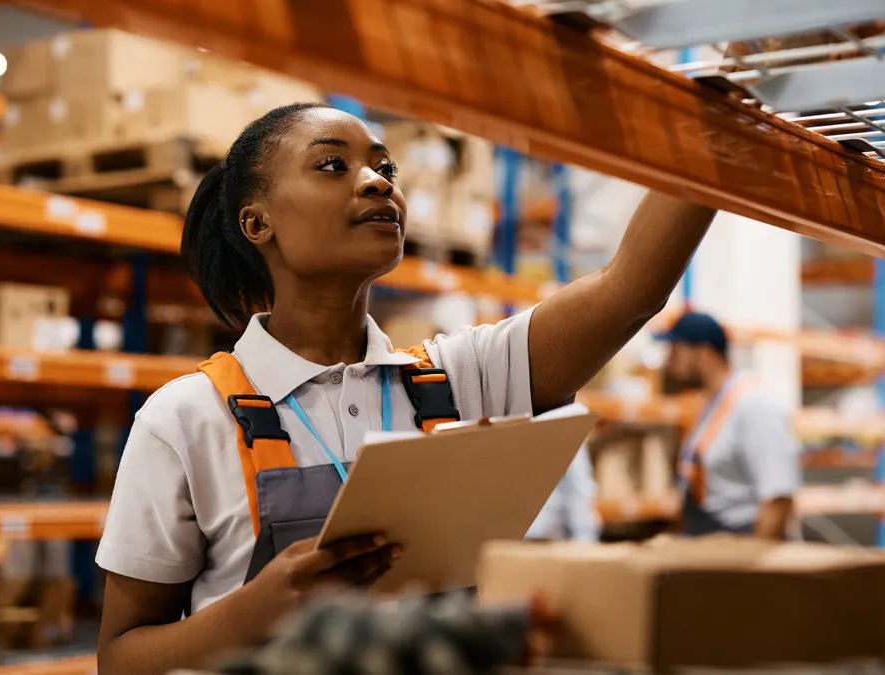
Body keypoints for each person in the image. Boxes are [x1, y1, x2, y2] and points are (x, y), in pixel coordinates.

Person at [95, 102, 715, 674]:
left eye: (384, 166)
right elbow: (119, 658)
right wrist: (245, 617)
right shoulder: (185, 419)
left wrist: (714, 135)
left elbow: (628, 290)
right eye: (333, 165)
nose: (378, 181)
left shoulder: (463, 378)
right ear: (257, 223)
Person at [661, 312, 801, 539]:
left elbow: (778, 497)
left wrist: (751, 568)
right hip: (714, 545)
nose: (668, 363)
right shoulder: (712, 407)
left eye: (676, 352)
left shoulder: (755, 406)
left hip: (743, 548)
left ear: (705, 355)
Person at [525, 444, 600, 542]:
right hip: (506, 541)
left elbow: (578, 492)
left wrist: (584, 541)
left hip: (543, 538)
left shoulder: (561, 438)